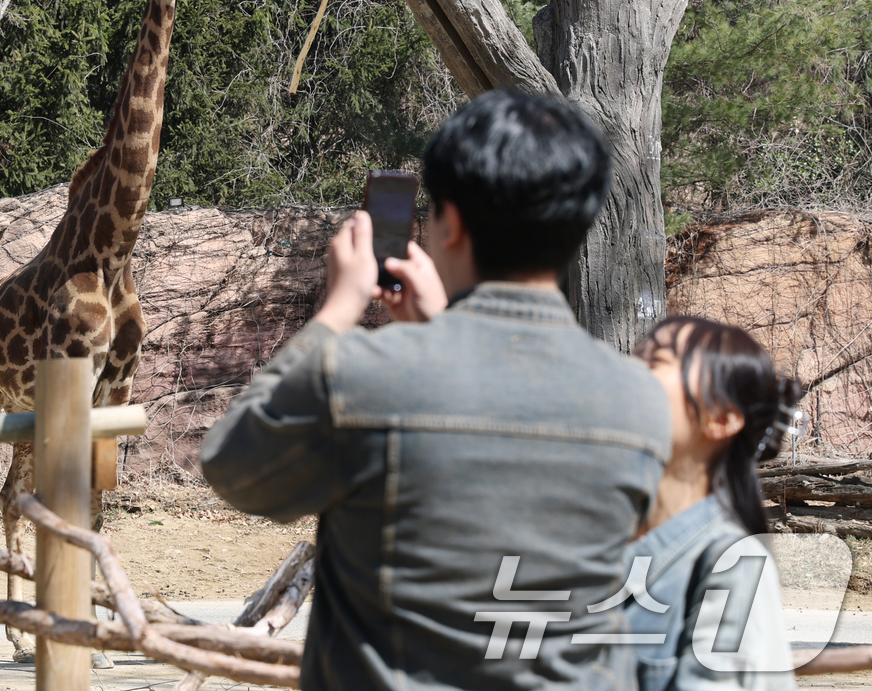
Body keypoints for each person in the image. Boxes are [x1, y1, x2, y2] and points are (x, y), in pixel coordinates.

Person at [200, 90, 672, 691]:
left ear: (450, 224)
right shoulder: (640, 403)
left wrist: (337, 309)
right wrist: (440, 328)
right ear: (579, 224)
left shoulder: (363, 374)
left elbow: (234, 467)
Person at [625, 317, 800, 691]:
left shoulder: (731, 566)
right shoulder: (593, 539)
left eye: (654, 360)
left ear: (720, 418)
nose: (626, 367)